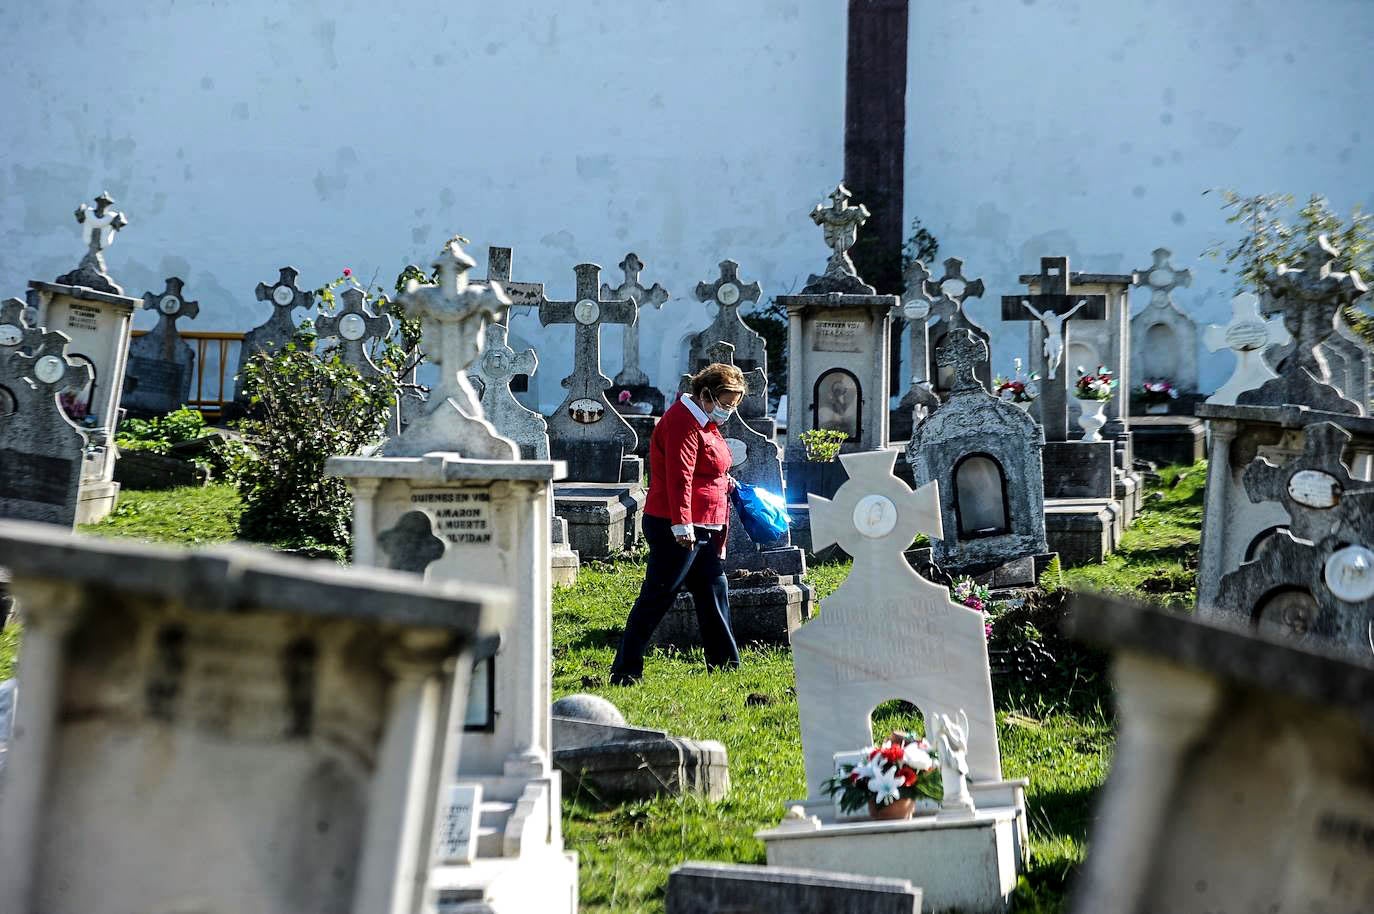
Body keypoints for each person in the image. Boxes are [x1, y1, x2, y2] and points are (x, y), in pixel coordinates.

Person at [609, 363, 747, 686]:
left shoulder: (704, 421)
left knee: (714, 589)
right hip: (677, 527)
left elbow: (712, 464)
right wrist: (682, 523)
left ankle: (725, 664)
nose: (728, 410)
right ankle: (626, 669)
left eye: (733, 404)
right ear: (705, 394)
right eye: (726, 403)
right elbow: (679, 476)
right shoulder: (683, 421)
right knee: (658, 596)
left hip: (705, 526)